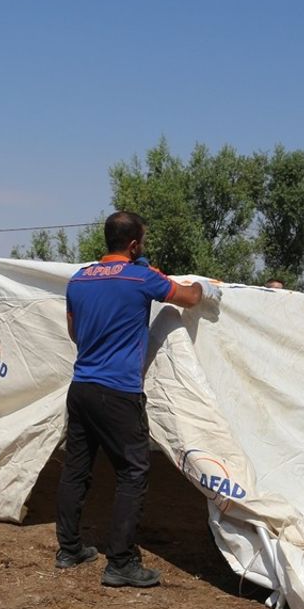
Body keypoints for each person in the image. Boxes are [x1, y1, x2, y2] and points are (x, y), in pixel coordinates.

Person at [56, 211, 220, 588]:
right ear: (134, 244)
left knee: (77, 468)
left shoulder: (79, 278)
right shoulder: (141, 277)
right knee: (133, 471)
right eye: (141, 242)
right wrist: (205, 288)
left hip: (81, 387)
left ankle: (69, 548)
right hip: (119, 391)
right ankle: (121, 562)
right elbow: (189, 298)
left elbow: (74, 331)